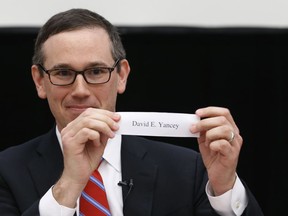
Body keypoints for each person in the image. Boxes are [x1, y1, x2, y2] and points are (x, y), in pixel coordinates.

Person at [0, 8, 264, 216]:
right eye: (63, 73)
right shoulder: (6, 171)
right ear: (39, 81)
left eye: (95, 72)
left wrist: (225, 189)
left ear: (121, 75)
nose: (80, 90)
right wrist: (68, 185)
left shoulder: (187, 169)